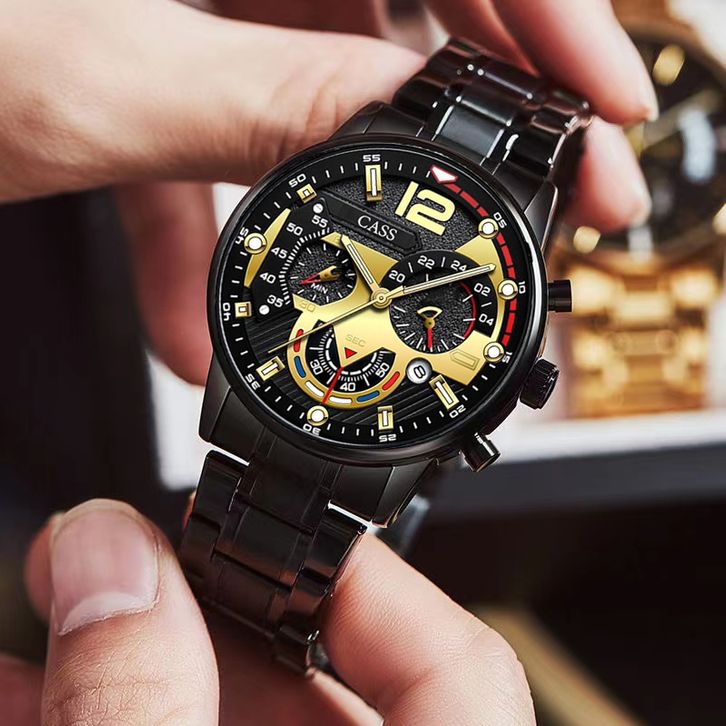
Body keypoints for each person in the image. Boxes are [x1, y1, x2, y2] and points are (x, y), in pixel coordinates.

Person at [0, 1, 657, 723]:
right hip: (263, 390)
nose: (378, 303)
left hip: (316, 421)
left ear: (514, 378)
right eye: (343, 275)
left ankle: (263, 631)